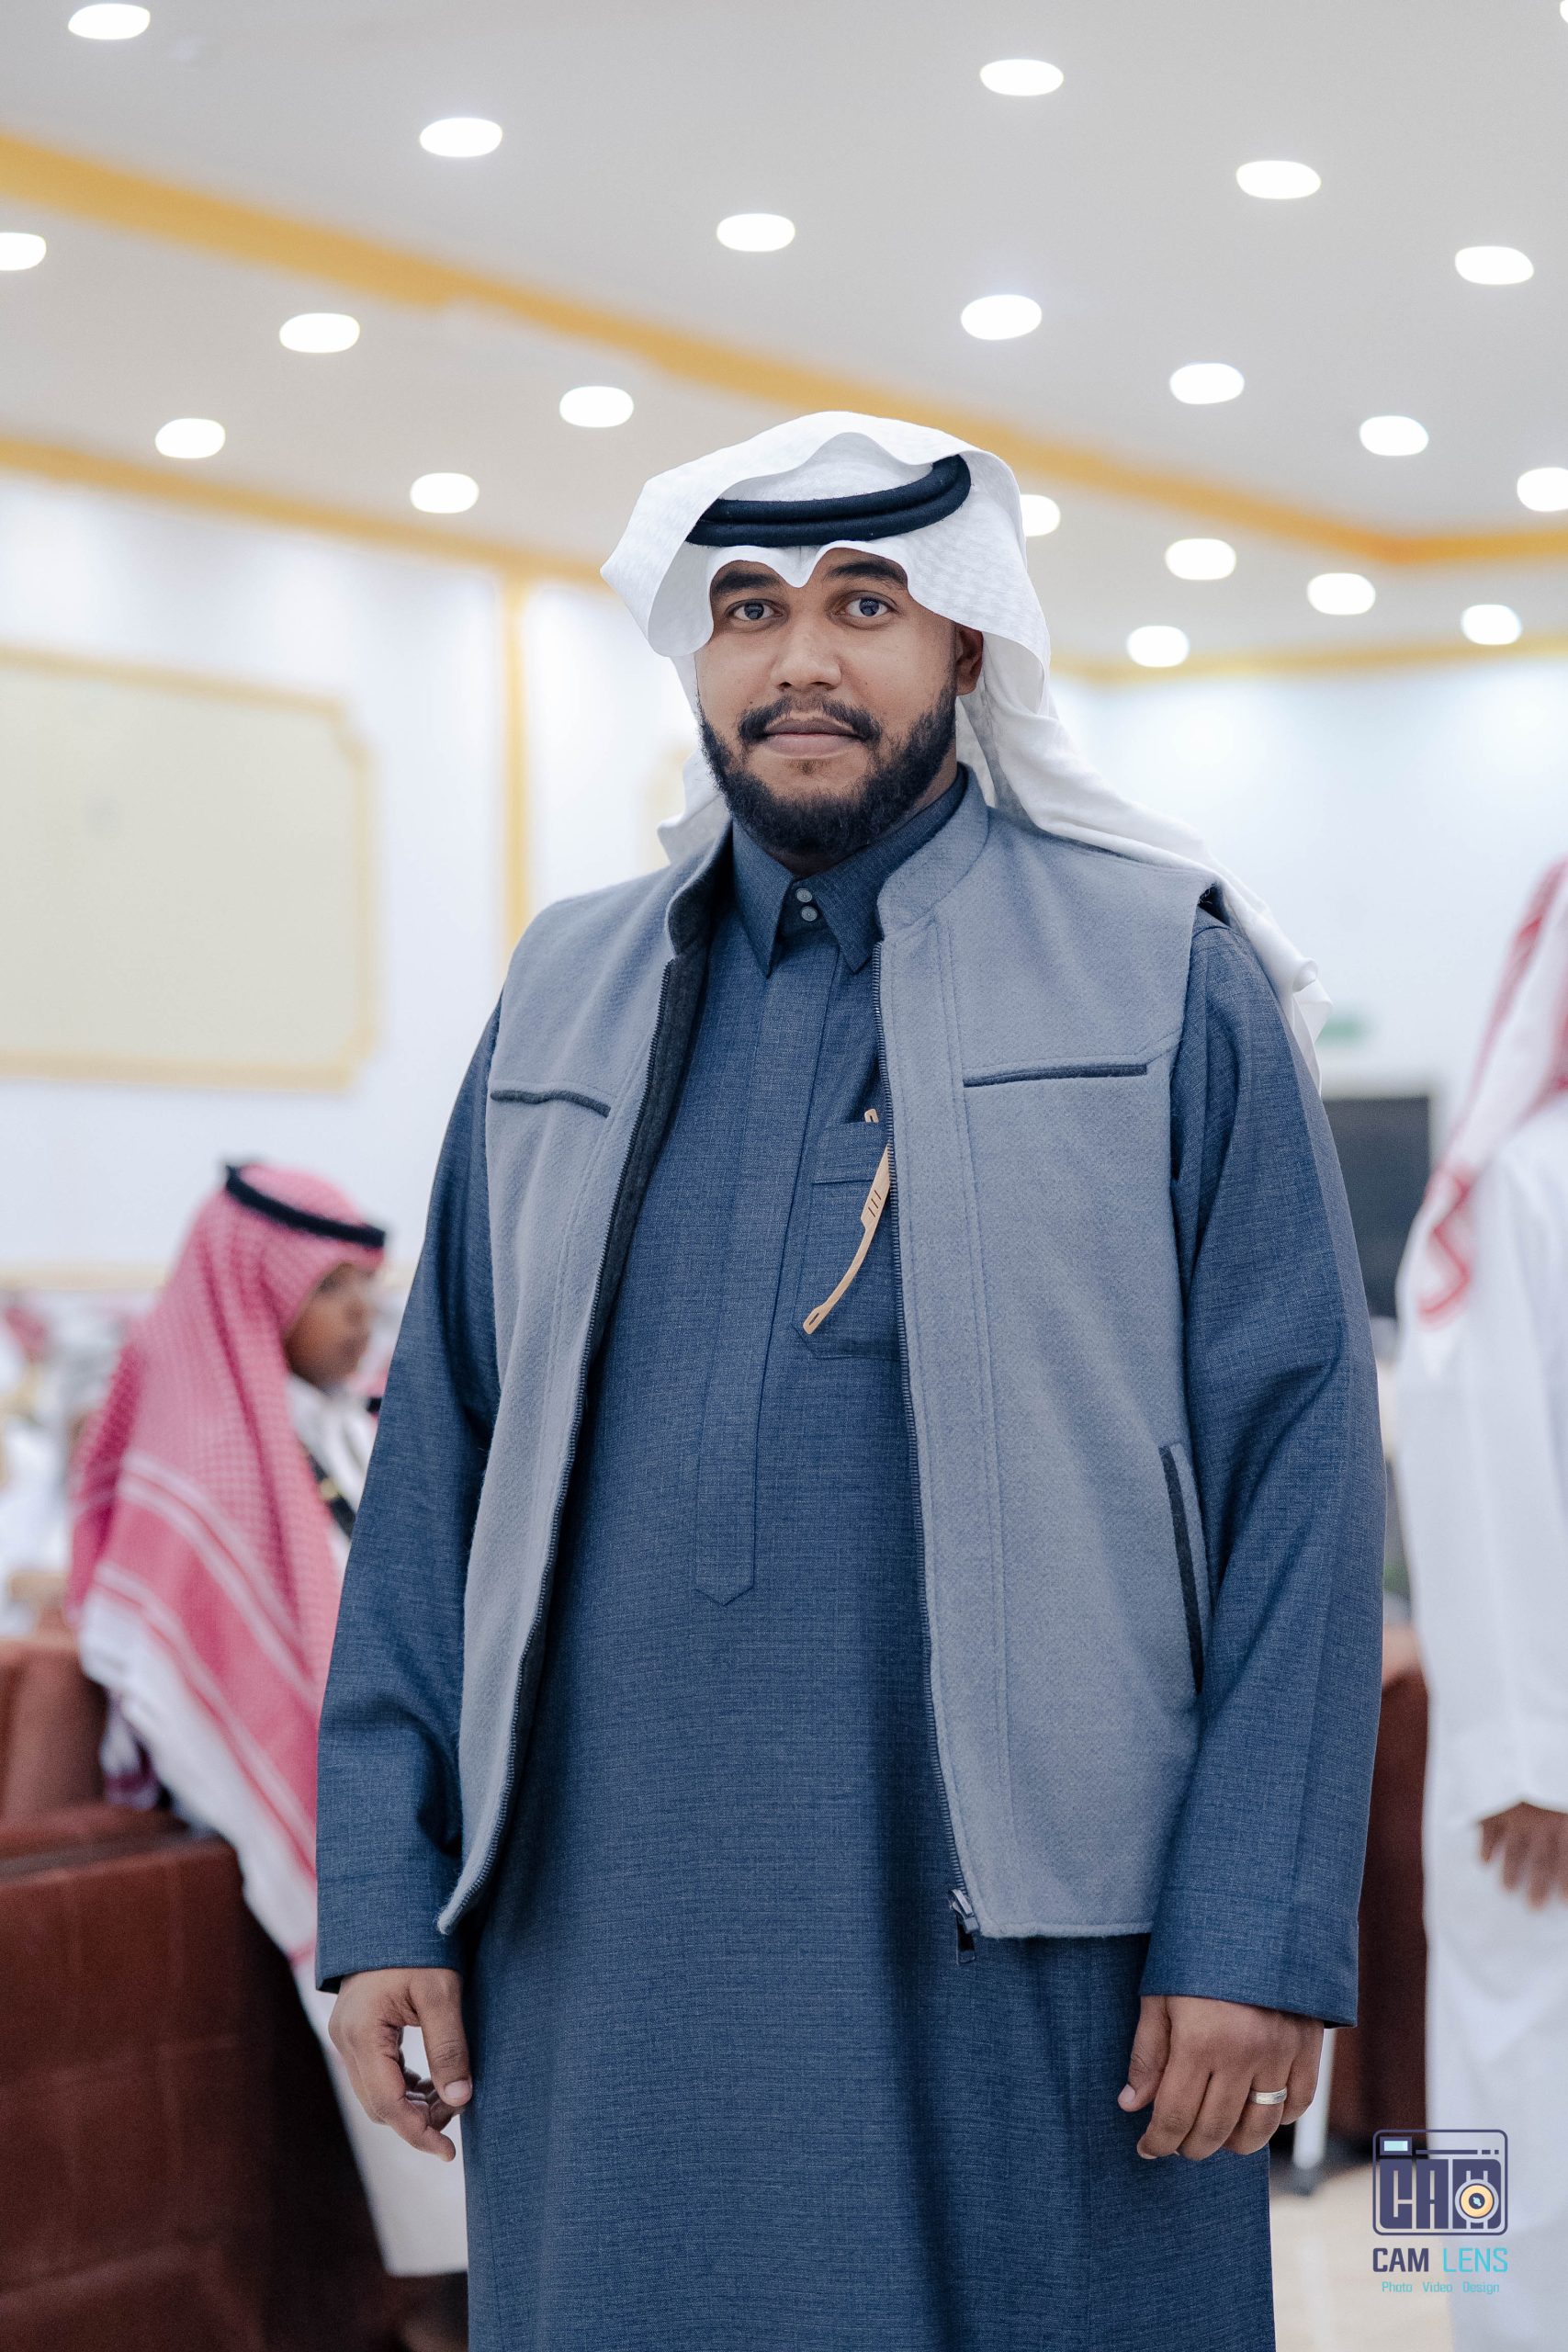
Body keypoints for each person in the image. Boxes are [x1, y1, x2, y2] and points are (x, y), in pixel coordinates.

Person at [318, 414, 1384, 2351]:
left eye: (863, 605)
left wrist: (1254, 1920)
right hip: (599, 1952)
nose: (797, 658)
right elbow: (435, 1461)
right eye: (746, 609)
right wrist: (387, 1882)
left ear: (965, 639)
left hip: (1046, 1963)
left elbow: (1300, 1466)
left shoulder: (1162, 973)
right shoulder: (560, 991)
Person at [68, 1163, 468, 2338]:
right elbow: (188, 1680)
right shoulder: (208, 1458)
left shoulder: (346, 1423)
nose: (359, 1313)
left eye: (365, 1285)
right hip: (308, 1831)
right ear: (258, 1293)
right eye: (331, 1287)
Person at [1397, 862, 1568, 2349]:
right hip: (1530, 1779)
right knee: (1481, 2103)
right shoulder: (1518, 1185)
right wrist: (1526, 1755)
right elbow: (1469, 1473)